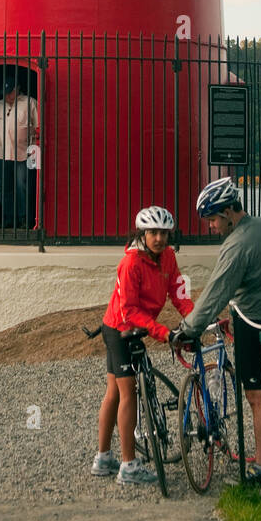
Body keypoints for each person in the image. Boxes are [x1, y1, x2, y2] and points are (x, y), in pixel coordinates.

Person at [173, 178, 261, 485]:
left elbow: (216, 293)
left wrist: (188, 328)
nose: (211, 226)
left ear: (228, 211)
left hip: (253, 324)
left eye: (213, 219)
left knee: (257, 396)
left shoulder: (236, 245)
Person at [93, 206, 195, 486]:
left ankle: (103, 459)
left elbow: (178, 292)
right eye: (153, 233)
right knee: (128, 392)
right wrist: (164, 333)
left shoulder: (169, 257)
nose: (159, 239)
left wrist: (193, 319)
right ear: (142, 233)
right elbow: (129, 310)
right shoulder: (130, 264)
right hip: (119, 329)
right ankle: (129, 466)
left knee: (113, 390)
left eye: (164, 233)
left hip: (137, 326)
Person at [0, 77, 38, 229]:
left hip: (24, 153)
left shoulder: (30, 103)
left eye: (9, 92)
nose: (6, 96)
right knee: (2, 187)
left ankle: (25, 218)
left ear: (17, 89)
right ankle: (9, 218)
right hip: (2, 153)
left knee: (23, 186)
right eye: (4, 93)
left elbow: (39, 125)